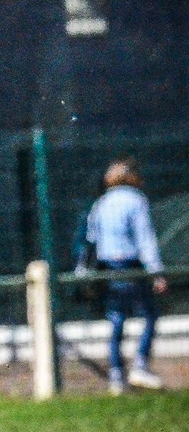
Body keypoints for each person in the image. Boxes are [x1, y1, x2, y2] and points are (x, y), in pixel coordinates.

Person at [84, 159, 167, 394]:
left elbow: (92, 237)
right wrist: (156, 272)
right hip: (131, 264)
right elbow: (145, 239)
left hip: (108, 266)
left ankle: (116, 375)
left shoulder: (101, 203)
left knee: (117, 318)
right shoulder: (135, 200)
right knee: (150, 314)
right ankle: (140, 364)